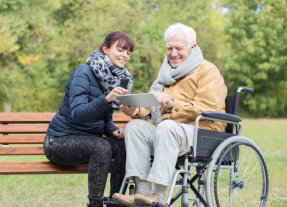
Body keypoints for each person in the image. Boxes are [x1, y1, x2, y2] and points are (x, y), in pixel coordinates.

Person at [112, 23, 227, 206]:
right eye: (169, 48)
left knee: (166, 127)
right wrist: (135, 110)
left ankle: (157, 194)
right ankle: (142, 192)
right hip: (169, 132)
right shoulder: (165, 73)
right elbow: (151, 106)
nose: (173, 53)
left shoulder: (208, 71)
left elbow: (207, 107)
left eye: (179, 48)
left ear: (193, 47)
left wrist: (173, 103)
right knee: (135, 127)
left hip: (203, 132)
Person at [43, 31, 134, 207]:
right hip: (59, 142)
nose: (125, 56)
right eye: (121, 50)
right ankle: (95, 204)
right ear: (106, 49)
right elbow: (77, 113)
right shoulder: (83, 73)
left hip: (89, 142)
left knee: (124, 145)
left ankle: (117, 201)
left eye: (128, 52)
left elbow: (104, 118)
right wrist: (106, 99)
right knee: (101, 147)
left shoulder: (115, 79)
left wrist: (112, 130)